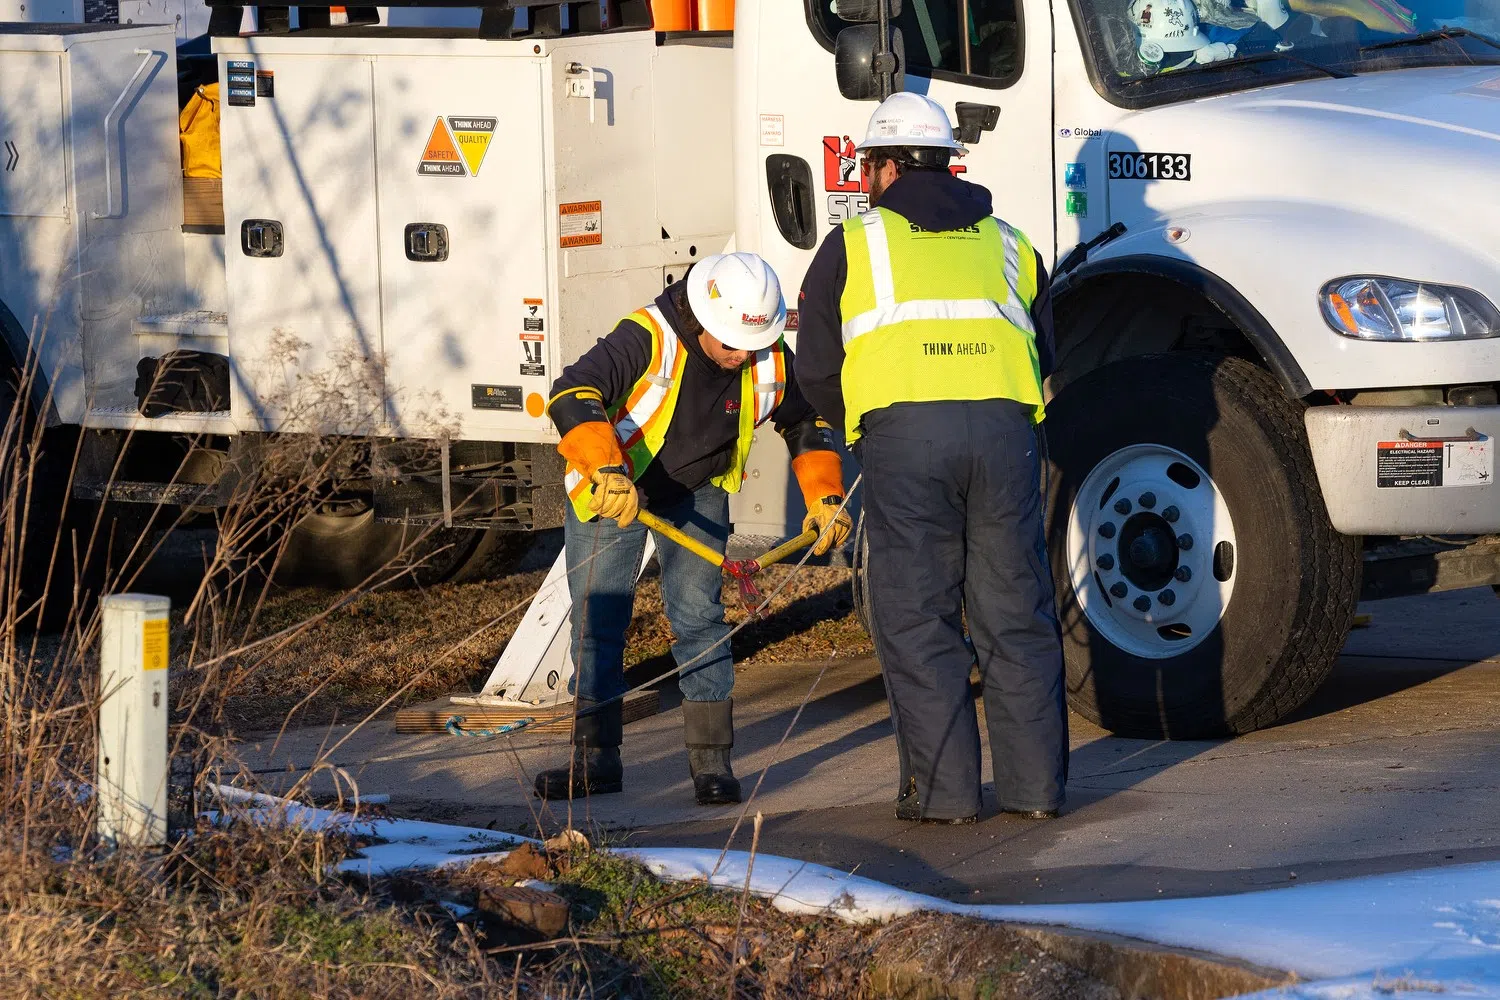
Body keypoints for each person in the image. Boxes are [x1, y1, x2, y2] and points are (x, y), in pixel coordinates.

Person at [795, 92, 1067, 825]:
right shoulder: (1012, 243)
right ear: (949, 161)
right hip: (1008, 435)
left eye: (864, 170)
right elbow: (1047, 352)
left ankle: (945, 798)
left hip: (906, 437)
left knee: (919, 621)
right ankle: (1035, 793)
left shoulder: (854, 243)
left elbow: (815, 363)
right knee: (1015, 615)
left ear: (882, 167)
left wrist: (862, 426)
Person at [537, 252, 852, 806]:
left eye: (750, 346)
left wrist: (824, 495)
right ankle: (593, 761)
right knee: (598, 620)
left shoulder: (767, 354)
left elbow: (804, 422)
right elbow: (571, 391)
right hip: (616, 487)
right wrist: (605, 467)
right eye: (731, 343)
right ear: (704, 318)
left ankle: (712, 766)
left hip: (696, 489)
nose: (740, 357)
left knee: (700, 620)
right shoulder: (647, 334)